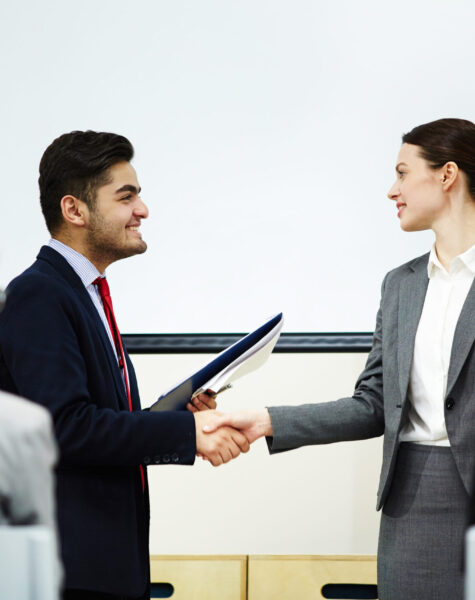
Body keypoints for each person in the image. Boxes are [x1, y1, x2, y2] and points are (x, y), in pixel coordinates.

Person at [204, 118, 475, 600]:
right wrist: (266, 420)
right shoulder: (401, 286)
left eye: (402, 173)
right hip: (415, 502)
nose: (393, 190)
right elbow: (372, 405)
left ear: (447, 174)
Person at [0, 130, 250, 600]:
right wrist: (187, 437)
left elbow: (97, 421)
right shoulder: (39, 295)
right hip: (70, 574)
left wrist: (178, 416)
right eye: (126, 196)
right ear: (75, 210)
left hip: (106, 566)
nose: (143, 210)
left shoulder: (83, 293)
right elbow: (64, 428)